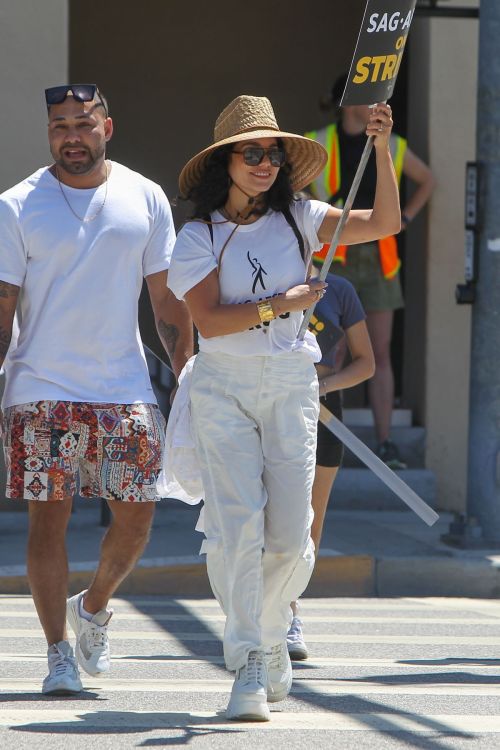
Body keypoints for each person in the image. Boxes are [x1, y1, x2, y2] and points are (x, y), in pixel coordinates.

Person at [167, 94, 400, 721]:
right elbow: (210, 322)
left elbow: (383, 225)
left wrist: (379, 146)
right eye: (252, 153)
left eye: (272, 153)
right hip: (223, 385)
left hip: (291, 384)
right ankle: (247, 659)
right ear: (226, 162)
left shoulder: (301, 215)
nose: (264, 163)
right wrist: (285, 300)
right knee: (239, 528)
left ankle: (271, 635)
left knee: (292, 536)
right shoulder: (197, 235)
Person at [0, 83, 193, 696]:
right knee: (46, 524)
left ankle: (95, 606)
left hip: (124, 386)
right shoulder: (17, 206)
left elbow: (165, 300)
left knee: (138, 516)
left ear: (107, 127)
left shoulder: (145, 196)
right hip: (41, 386)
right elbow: (3, 307)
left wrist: (187, 373)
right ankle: (58, 651)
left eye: (83, 124)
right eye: (60, 127)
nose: (71, 137)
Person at [306, 74, 435, 469]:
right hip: (333, 256)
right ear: (345, 101)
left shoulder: (391, 144)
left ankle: (384, 442)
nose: (370, 105)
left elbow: (427, 180)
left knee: (377, 351)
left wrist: (407, 218)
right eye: (362, 98)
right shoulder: (317, 142)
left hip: (379, 259)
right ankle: (320, 437)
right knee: (330, 349)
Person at [287, 271, 374, 660]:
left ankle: (289, 610)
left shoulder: (339, 289)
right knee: (271, 512)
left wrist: (323, 387)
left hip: (323, 409)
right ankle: (262, 609)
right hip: (272, 400)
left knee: (309, 520)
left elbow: (365, 363)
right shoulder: (263, 277)